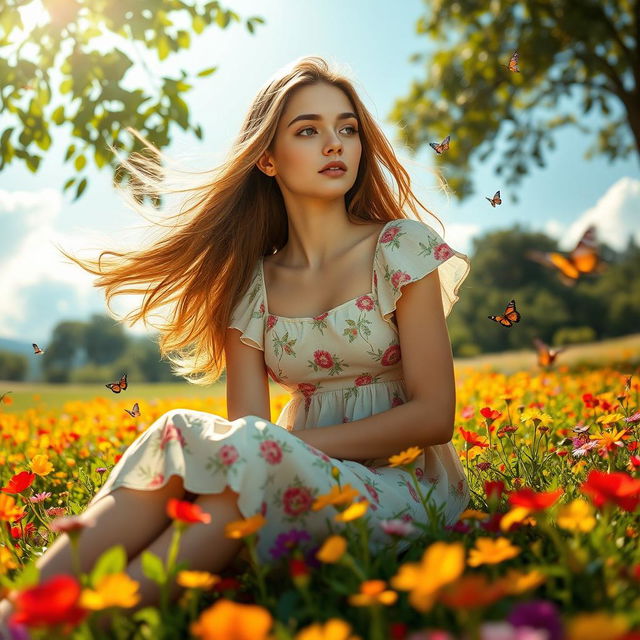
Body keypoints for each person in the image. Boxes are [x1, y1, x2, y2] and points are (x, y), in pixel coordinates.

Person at [0, 55, 471, 633]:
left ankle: (78, 625)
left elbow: (435, 417)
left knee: (247, 457)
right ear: (267, 159)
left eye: (347, 128)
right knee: (182, 432)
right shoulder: (251, 286)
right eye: (308, 130)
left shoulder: (400, 248)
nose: (335, 144)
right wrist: (275, 448)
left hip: (409, 490)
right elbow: (245, 430)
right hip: (291, 473)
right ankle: (18, 616)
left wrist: (293, 446)